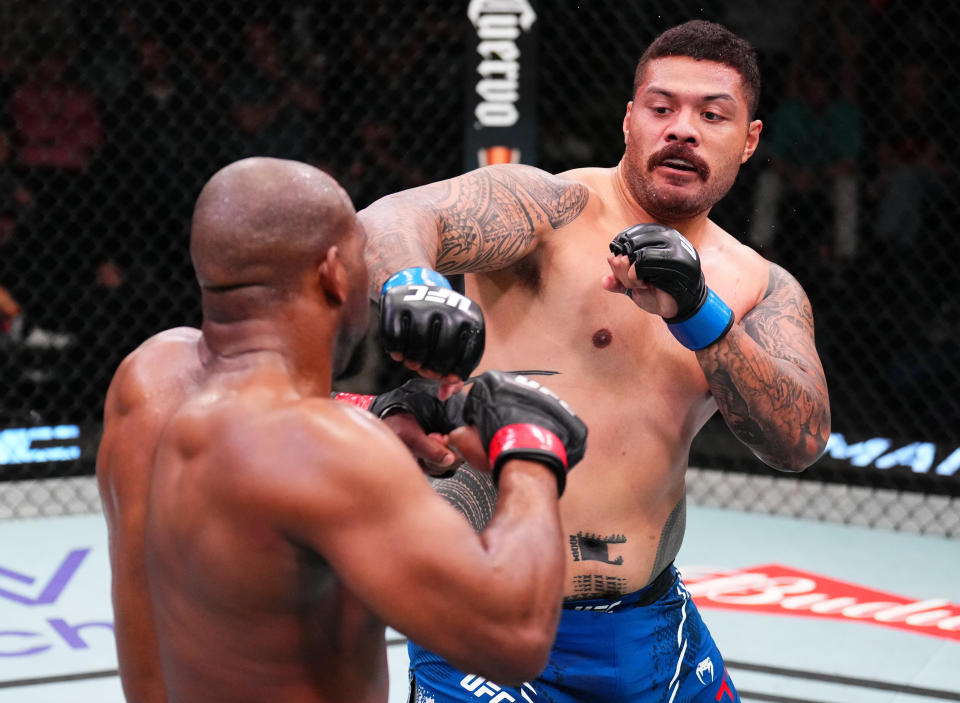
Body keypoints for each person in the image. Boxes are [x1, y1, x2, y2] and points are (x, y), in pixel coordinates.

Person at [359, 20, 831, 702]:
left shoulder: (759, 285)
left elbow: (801, 439)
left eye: (712, 113)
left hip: (649, 627)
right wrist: (410, 283)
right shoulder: (548, 211)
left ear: (750, 139)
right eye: (661, 107)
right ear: (629, 121)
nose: (683, 129)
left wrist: (700, 313)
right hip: (491, 605)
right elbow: (393, 218)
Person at [95, 156, 588, 703]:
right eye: (361, 257)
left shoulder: (146, 379)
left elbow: (261, 439)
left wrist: (379, 417)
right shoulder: (325, 449)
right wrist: (531, 452)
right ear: (332, 272)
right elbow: (513, 640)